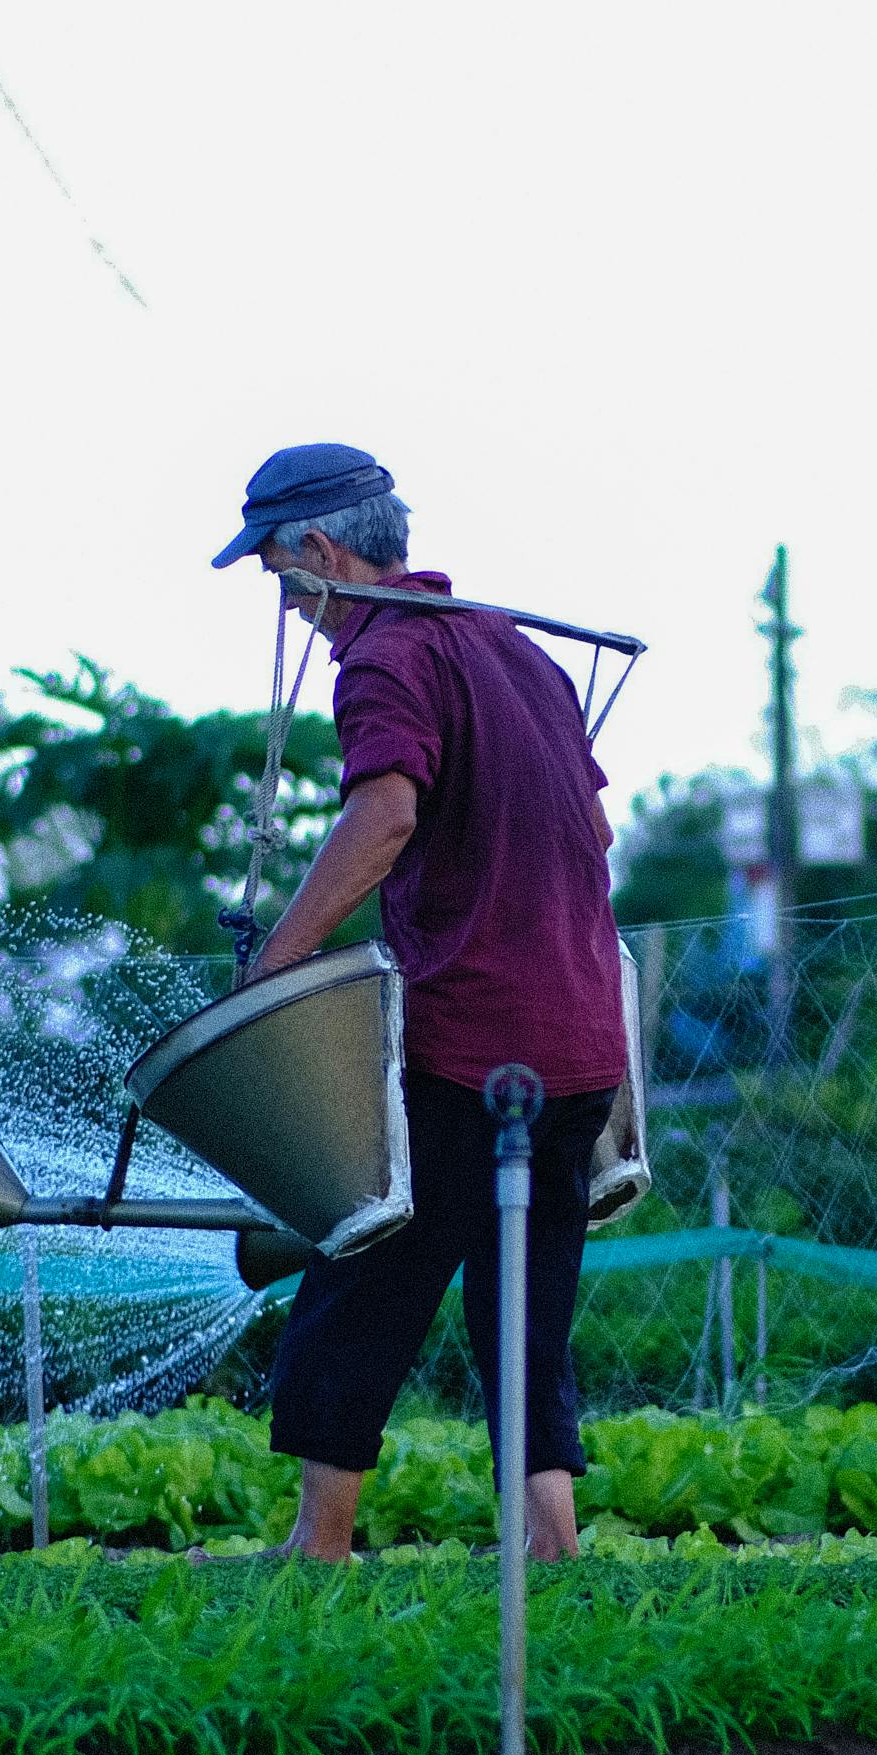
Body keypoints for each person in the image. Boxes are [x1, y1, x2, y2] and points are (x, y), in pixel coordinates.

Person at [219, 441, 627, 1561]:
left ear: (321, 549)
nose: (285, 599)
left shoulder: (387, 657)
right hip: (583, 1047)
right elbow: (597, 834)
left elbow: (387, 814)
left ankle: (317, 1551)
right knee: (524, 1311)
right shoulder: (516, 651)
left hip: (472, 1047)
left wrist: (280, 961)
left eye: (276, 568)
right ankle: (552, 1551)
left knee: (364, 1280)